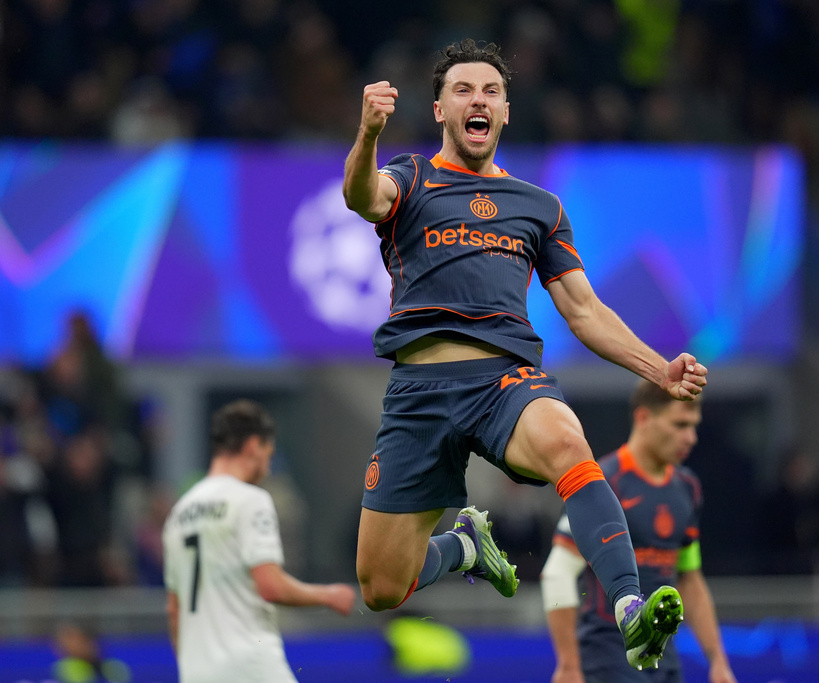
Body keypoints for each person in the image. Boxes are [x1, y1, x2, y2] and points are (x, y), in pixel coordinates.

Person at [341, 38, 707, 671]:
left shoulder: (540, 208)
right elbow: (362, 196)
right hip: (418, 395)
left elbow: (584, 310)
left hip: (502, 382)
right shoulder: (411, 176)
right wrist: (369, 132)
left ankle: (629, 608)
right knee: (380, 587)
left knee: (568, 442)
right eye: (462, 90)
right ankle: (464, 548)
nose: (477, 100)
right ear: (439, 110)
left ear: (506, 111)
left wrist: (659, 369)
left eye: (491, 91)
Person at [541, 382, 736, 683]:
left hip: (664, 661)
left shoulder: (687, 488)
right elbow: (558, 573)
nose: (691, 438)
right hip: (606, 661)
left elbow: (689, 577)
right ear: (644, 418)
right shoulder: (600, 483)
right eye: (680, 425)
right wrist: (569, 665)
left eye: (694, 426)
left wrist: (718, 662)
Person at [162, 399, 356, 683]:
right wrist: (327, 595)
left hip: (196, 673)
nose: (267, 467)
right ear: (253, 445)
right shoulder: (250, 500)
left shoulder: (179, 513)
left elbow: (174, 609)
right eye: (269, 454)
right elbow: (270, 586)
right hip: (251, 667)